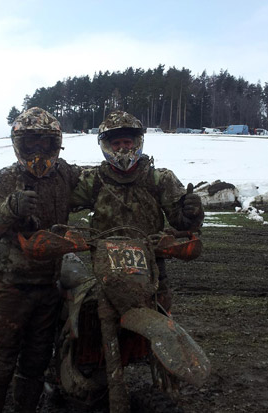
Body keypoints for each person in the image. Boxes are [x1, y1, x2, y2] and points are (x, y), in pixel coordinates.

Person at [70, 110, 204, 412]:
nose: (122, 149)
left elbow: (183, 223)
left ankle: (169, 387)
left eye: (127, 143)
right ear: (106, 146)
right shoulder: (95, 180)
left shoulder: (159, 178)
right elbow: (63, 200)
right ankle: (87, 370)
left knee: (163, 325)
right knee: (90, 318)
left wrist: (192, 211)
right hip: (107, 271)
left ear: (139, 143)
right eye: (115, 143)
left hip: (153, 271)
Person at [0, 107, 81, 413]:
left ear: (56, 144)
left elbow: (100, 184)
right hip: (10, 287)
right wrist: (8, 209)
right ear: (18, 145)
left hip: (48, 286)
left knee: (37, 361)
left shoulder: (65, 175)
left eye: (45, 144)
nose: (38, 152)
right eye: (30, 144)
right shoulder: (3, 181)